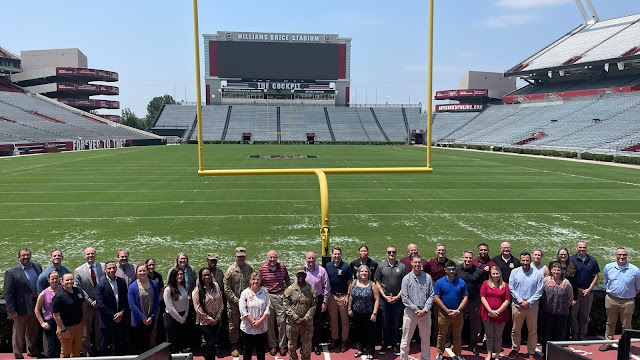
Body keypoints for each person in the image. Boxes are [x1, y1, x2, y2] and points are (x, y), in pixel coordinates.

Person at [3, 248, 43, 359]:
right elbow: (8, 293)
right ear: (18, 257)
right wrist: (11, 310)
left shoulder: (37, 266)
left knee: (33, 330)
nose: (26, 257)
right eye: (23, 255)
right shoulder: (11, 272)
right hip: (20, 307)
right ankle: (18, 355)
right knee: (18, 333)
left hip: (35, 303)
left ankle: (32, 351)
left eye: (28, 255)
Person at [599, 247, 640, 351]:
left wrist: (626, 295)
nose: (622, 257)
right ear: (615, 255)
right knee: (610, 322)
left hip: (627, 302)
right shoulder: (608, 267)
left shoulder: (635, 270)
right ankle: (608, 342)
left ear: (627, 256)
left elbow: (638, 288)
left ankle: (626, 346)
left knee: (626, 325)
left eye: (624, 255)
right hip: (611, 299)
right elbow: (606, 281)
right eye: (619, 255)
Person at [507, 252, 543, 360]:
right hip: (517, 306)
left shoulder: (537, 274)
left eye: (527, 260)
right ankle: (515, 348)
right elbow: (511, 288)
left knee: (532, 331)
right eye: (523, 260)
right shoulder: (514, 272)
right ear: (520, 260)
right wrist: (520, 300)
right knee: (515, 330)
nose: (525, 263)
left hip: (532, 307)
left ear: (530, 260)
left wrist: (529, 302)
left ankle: (531, 352)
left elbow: (539, 290)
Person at [400, 255, 434, 360]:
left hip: (425, 313)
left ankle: (425, 358)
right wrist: (416, 309)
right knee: (406, 339)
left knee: (425, 340)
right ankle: (404, 358)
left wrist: (424, 310)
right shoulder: (406, 278)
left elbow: (432, 295)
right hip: (411, 313)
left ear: (422, 264)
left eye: (419, 262)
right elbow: (404, 298)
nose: (417, 265)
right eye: (415, 262)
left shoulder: (427, 278)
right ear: (411, 263)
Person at [374, 245, 407, 356]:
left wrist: (398, 296)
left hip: (398, 300)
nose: (391, 254)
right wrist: (384, 296)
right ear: (386, 253)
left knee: (396, 323)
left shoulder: (402, 267)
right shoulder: (381, 266)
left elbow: (405, 283)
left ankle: (394, 344)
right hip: (385, 299)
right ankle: (384, 344)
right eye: (389, 252)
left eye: (393, 252)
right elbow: (377, 282)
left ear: (396, 253)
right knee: (385, 323)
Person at [259, 250, 291, 356]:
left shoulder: (282, 267)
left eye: (274, 257)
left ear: (277, 258)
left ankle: (282, 345)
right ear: (267, 258)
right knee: (269, 322)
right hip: (268, 296)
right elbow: (259, 283)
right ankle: (272, 345)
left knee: (281, 321)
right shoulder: (262, 269)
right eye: (270, 257)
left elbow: (287, 280)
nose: (272, 260)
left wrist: (288, 292)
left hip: (280, 295)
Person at [434, 260, 468, 360]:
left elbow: (465, 297)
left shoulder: (461, 282)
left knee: (457, 336)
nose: (452, 271)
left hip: (458, 314)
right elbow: (437, 298)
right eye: (450, 269)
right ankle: (440, 353)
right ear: (445, 270)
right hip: (444, 314)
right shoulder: (440, 282)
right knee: (441, 335)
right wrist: (446, 310)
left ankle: (458, 353)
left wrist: (458, 310)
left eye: (453, 269)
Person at [74, 246, 104, 356]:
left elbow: (106, 283)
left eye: (92, 253)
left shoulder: (103, 267)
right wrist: (90, 301)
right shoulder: (78, 270)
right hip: (87, 306)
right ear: (84, 256)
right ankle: (86, 351)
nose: (90, 256)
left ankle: (99, 348)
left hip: (101, 304)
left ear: (95, 254)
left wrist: (99, 300)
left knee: (99, 328)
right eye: (88, 254)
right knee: (85, 330)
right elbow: (78, 288)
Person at [224, 247, 254, 357]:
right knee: (233, 325)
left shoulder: (250, 269)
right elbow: (227, 288)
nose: (241, 258)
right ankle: (234, 345)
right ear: (235, 257)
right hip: (234, 304)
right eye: (239, 257)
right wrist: (237, 300)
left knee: (248, 323)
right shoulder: (230, 271)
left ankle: (246, 343)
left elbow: (253, 284)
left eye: (243, 256)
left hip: (247, 303)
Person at [540, 262, 573, 357]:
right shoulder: (546, 281)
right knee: (546, 335)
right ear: (551, 270)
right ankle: (546, 355)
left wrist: (562, 307)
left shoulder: (566, 283)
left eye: (558, 270)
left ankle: (558, 355)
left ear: (561, 271)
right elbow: (541, 295)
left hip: (562, 314)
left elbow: (570, 298)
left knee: (560, 336)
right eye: (554, 269)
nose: (556, 271)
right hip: (547, 313)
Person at [95, 260, 129, 356]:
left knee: (118, 342)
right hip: (107, 319)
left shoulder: (122, 281)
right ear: (105, 270)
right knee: (105, 343)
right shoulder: (100, 285)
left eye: (114, 268)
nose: (112, 270)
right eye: (109, 268)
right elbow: (100, 305)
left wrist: (121, 313)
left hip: (120, 318)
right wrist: (114, 315)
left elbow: (125, 299)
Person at [569, 241, 599, 341]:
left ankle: (582, 335)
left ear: (586, 248)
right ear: (576, 248)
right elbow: (569, 276)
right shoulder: (571, 259)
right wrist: (577, 289)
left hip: (588, 293)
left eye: (584, 247)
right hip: (575, 293)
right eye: (580, 247)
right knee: (573, 315)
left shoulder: (592, 260)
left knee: (584, 316)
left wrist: (589, 289)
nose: (582, 249)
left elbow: (596, 276)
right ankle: (574, 334)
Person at [284, 266, 317, 360]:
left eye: (303, 274)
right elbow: (286, 305)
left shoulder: (311, 289)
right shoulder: (290, 289)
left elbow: (314, 305)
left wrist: (305, 318)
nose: (301, 276)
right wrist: (296, 318)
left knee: (306, 346)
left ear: (306, 275)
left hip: (307, 323)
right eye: (299, 274)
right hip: (292, 323)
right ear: (296, 275)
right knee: (291, 346)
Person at [348, 265, 380, 360]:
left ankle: (370, 352)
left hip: (369, 313)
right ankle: (361, 349)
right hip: (357, 312)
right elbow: (350, 296)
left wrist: (374, 313)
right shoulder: (354, 282)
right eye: (362, 271)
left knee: (370, 333)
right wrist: (349, 308)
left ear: (369, 273)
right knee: (359, 332)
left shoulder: (372, 284)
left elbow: (377, 300)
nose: (363, 273)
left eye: (366, 271)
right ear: (358, 273)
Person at [480, 266, 511, 360]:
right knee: (489, 335)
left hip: (501, 314)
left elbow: (507, 300)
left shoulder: (505, 285)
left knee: (498, 336)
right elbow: (483, 297)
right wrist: (490, 310)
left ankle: (497, 355)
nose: (495, 275)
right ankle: (489, 354)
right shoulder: (485, 284)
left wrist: (497, 311)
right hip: (487, 313)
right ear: (490, 274)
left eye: (497, 273)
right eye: (493, 273)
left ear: (500, 274)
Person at [456, 250, 484, 356]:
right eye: (466, 258)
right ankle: (458, 343)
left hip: (473, 300)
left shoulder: (478, 271)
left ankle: (473, 345)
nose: (468, 260)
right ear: (463, 257)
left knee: (474, 324)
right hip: (460, 301)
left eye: (470, 258)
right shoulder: (457, 269)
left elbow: (481, 284)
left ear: (473, 259)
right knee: (458, 323)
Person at [128, 263, 160, 354]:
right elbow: (132, 305)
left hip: (150, 319)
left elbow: (156, 301)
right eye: (140, 271)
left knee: (147, 343)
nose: (142, 273)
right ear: (136, 272)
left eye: (144, 270)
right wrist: (143, 318)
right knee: (138, 345)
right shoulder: (132, 287)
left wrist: (152, 316)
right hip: (139, 320)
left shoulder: (153, 284)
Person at [325, 246, 353, 352]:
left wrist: (347, 296)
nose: (336, 256)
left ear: (341, 255)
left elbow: (350, 282)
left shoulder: (346, 267)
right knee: (333, 320)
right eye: (335, 254)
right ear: (332, 255)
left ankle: (344, 341)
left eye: (338, 254)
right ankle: (335, 339)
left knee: (345, 321)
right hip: (332, 296)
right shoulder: (328, 266)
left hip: (343, 296)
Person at [193, 267, 224, 360]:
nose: (207, 277)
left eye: (208, 274)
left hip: (216, 320)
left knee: (212, 343)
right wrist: (210, 320)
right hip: (205, 323)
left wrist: (217, 317)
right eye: (204, 275)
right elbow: (198, 310)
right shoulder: (196, 292)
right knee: (210, 343)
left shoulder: (216, 286)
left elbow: (221, 302)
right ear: (200, 277)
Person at [52, 273, 86, 358]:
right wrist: (63, 330)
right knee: (66, 352)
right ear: (62, 282)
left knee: (77, 350)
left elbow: (83, 304)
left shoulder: (78, 290)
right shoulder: (59, 297)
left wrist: (84, 319)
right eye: (67, 280)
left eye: (71, 279)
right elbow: (56, 315)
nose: (70, 282)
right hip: (66, 328)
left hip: (78, 325)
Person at [239, 272, 270, 360]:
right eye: (253, 279)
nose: (255, 281)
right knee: (247, 351)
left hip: (261, 327)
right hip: (248, 328)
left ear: (260, 281)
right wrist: (253, 322)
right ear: (250, 280)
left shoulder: (265, 292)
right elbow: (243, 311)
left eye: (257, 279)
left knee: (261, 351)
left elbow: (268, 308)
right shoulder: (245, 293)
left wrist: (260, 322)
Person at [303, 251, 330, 355]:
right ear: (306, 259)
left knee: (316, 324)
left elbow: (326, 287)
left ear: (316, 259)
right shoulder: (302, 270)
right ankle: (305, 345)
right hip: (305, 300)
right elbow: (296, 285)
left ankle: (315, 345)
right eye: (309, 258)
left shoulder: (322, 271)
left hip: (317, 300)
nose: (311, 260)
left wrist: (325, 302)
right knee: (305, 324)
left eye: (313, 258)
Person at [35, 271, 61, 358]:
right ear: (48, 280)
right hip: (50, 321)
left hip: (62, 321)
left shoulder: (63, 290)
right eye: (52, 279)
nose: (54, 280)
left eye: (56, 278)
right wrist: (42, 323)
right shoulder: (44, 293)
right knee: (51, 346)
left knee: (62, 346)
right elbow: (37, 310)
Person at [164, 268, 189, 353]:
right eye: (177, 275)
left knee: (181, 339)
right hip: (172, 318)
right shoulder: (168, 290)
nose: (180, 276)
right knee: (172, 341)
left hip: (183, 316)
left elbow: (186, 302)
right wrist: (180, 319)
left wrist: (185, 315)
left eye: (181, 274)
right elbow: (170, 308)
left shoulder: (182, 286)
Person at [146, 258, 164, 347]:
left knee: (154, 326)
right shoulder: (144, 276)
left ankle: (153, 344)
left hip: (156, 306)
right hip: (146, 306)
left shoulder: (158, 276)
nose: (151, 267)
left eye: (153, 265)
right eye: (149, 265)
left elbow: (161, 289)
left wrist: (158, 301)